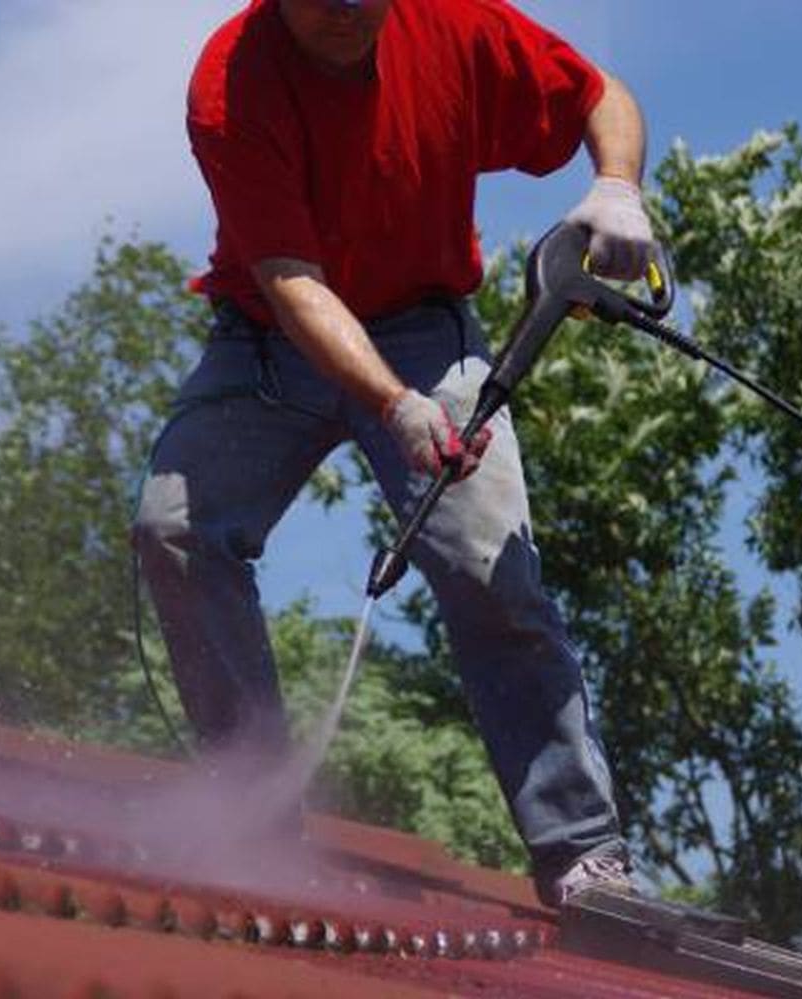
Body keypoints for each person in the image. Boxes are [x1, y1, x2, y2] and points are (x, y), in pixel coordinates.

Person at [133, 0, 654, 907]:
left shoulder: (454, 25)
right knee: (173, 529)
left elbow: (598, 95)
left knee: (490, 567)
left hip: (426, 332)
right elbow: (291, 279)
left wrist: (618, 187)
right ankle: (253, 823)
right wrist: (392, 405)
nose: (346, 12)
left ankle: (583, 854)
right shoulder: (230, 84)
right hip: (270, 340)